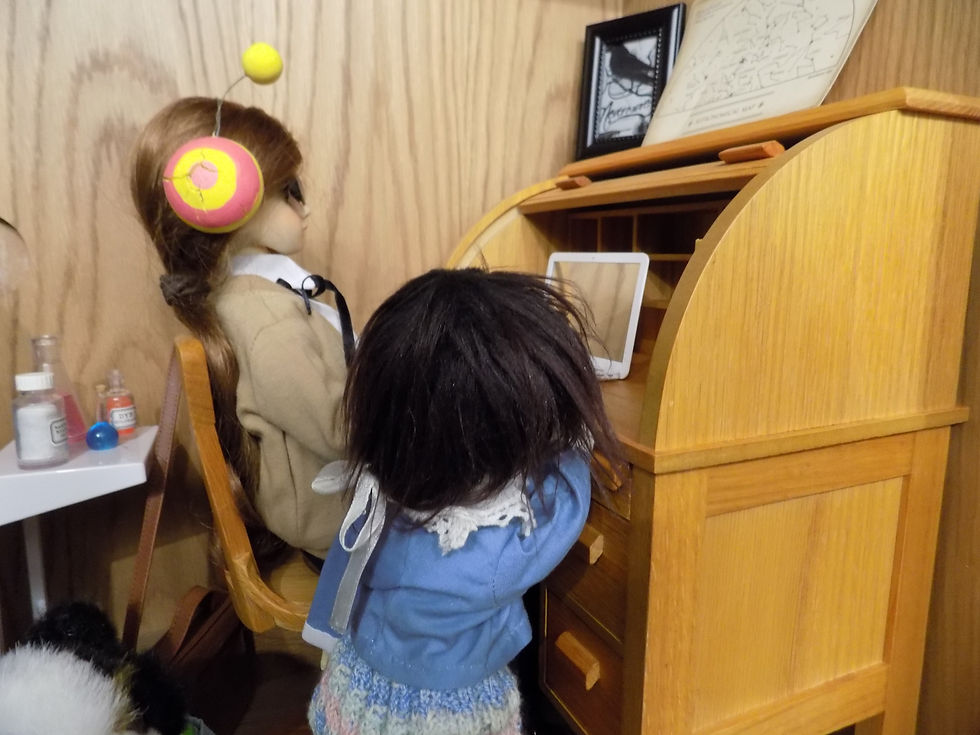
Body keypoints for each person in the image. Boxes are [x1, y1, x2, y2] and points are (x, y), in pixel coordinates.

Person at [302, 268, 624, 734]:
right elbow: (569, 497)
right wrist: (571, 424)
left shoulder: (382, 493)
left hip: (354, 690)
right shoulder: (497, 545)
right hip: (447, 717)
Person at [130, 97, 351, 559]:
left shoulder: (259, 299)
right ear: (229, 200)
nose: (305, 208)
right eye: (291, 190)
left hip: (338, 509)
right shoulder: (264, 315)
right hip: (341, 521)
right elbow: (342, 429)